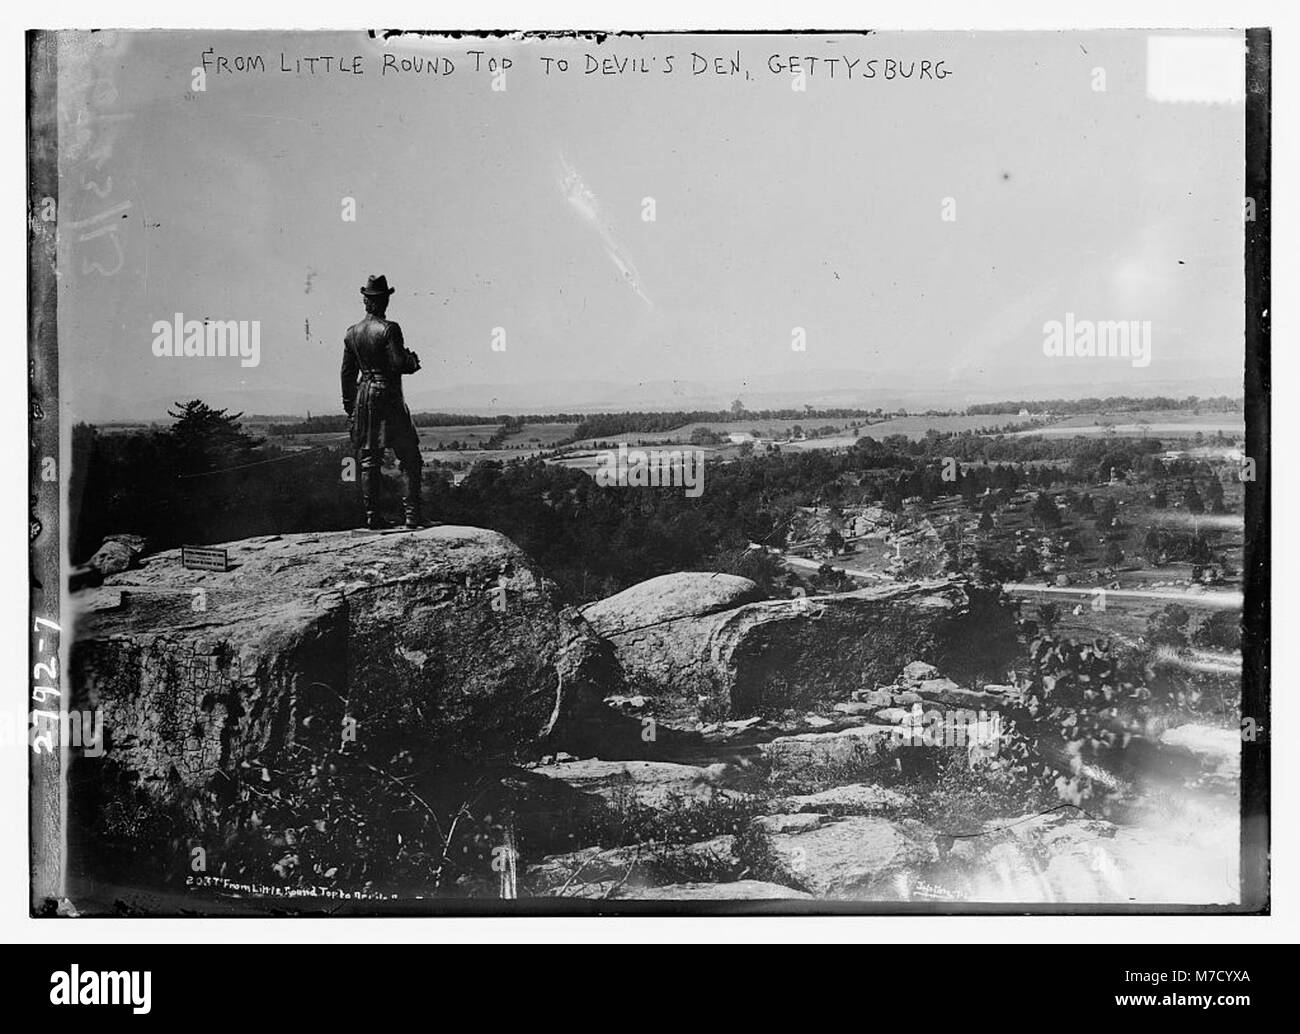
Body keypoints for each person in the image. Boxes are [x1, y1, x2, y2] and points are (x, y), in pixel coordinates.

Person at [340, 274, 426, 529]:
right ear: (383, 300)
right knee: (410, 455)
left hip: (363, 395)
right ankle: (412, 516)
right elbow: (399, 363)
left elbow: (346, 373)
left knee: (369, 459)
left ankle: (372, 517)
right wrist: (413, 362)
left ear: (366, 301)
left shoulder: (352, 333)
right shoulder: (390, 328)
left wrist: (350, 406)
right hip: (388, 394)